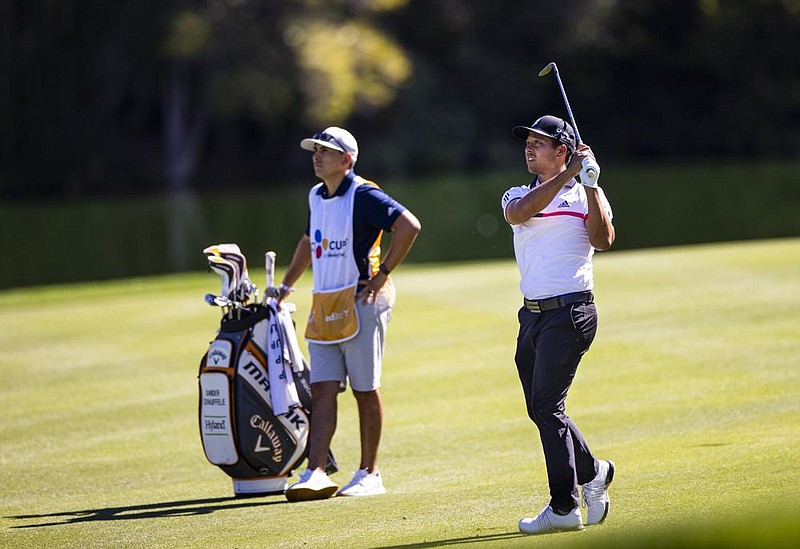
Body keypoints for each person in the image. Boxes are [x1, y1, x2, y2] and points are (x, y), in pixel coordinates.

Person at [278, 126, 421, 502]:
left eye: (326, 151)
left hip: (363, 303)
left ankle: (369, 473)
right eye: (315, 150)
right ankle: (316, 472)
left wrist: (382, 275)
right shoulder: (315, 195)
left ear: (347, 159)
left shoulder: (364, 194)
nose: (317, 155)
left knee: (364, 388)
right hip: (326, 303)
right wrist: (287, 285)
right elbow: (309, 243)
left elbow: (408, 226)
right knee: (323, 389)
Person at [501, 115, 616, 534]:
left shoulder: (588, 193)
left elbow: (603, 240)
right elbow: (518, 215)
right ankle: (594, 471)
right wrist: (568, 173)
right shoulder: (518, 193)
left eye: (540, 142)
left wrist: (589, 182)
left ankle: (564, 507)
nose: (529, 148)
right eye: (528, 142)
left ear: (563, 149)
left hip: (571, 313)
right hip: (530, 315)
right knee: (540, 408)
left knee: (548, 406)